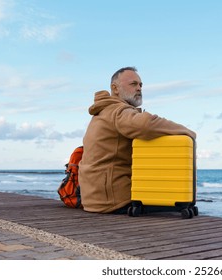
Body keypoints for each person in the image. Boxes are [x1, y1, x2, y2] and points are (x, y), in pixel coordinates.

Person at [78, 67, 196, 213]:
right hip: (113, 200)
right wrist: (188, 133)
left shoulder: (103, 111)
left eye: (140, 85)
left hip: (96, 197)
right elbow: (146, 125)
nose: (139, 88)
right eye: (133, 84)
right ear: (115, 88)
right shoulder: (117, 111)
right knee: (174, 210)